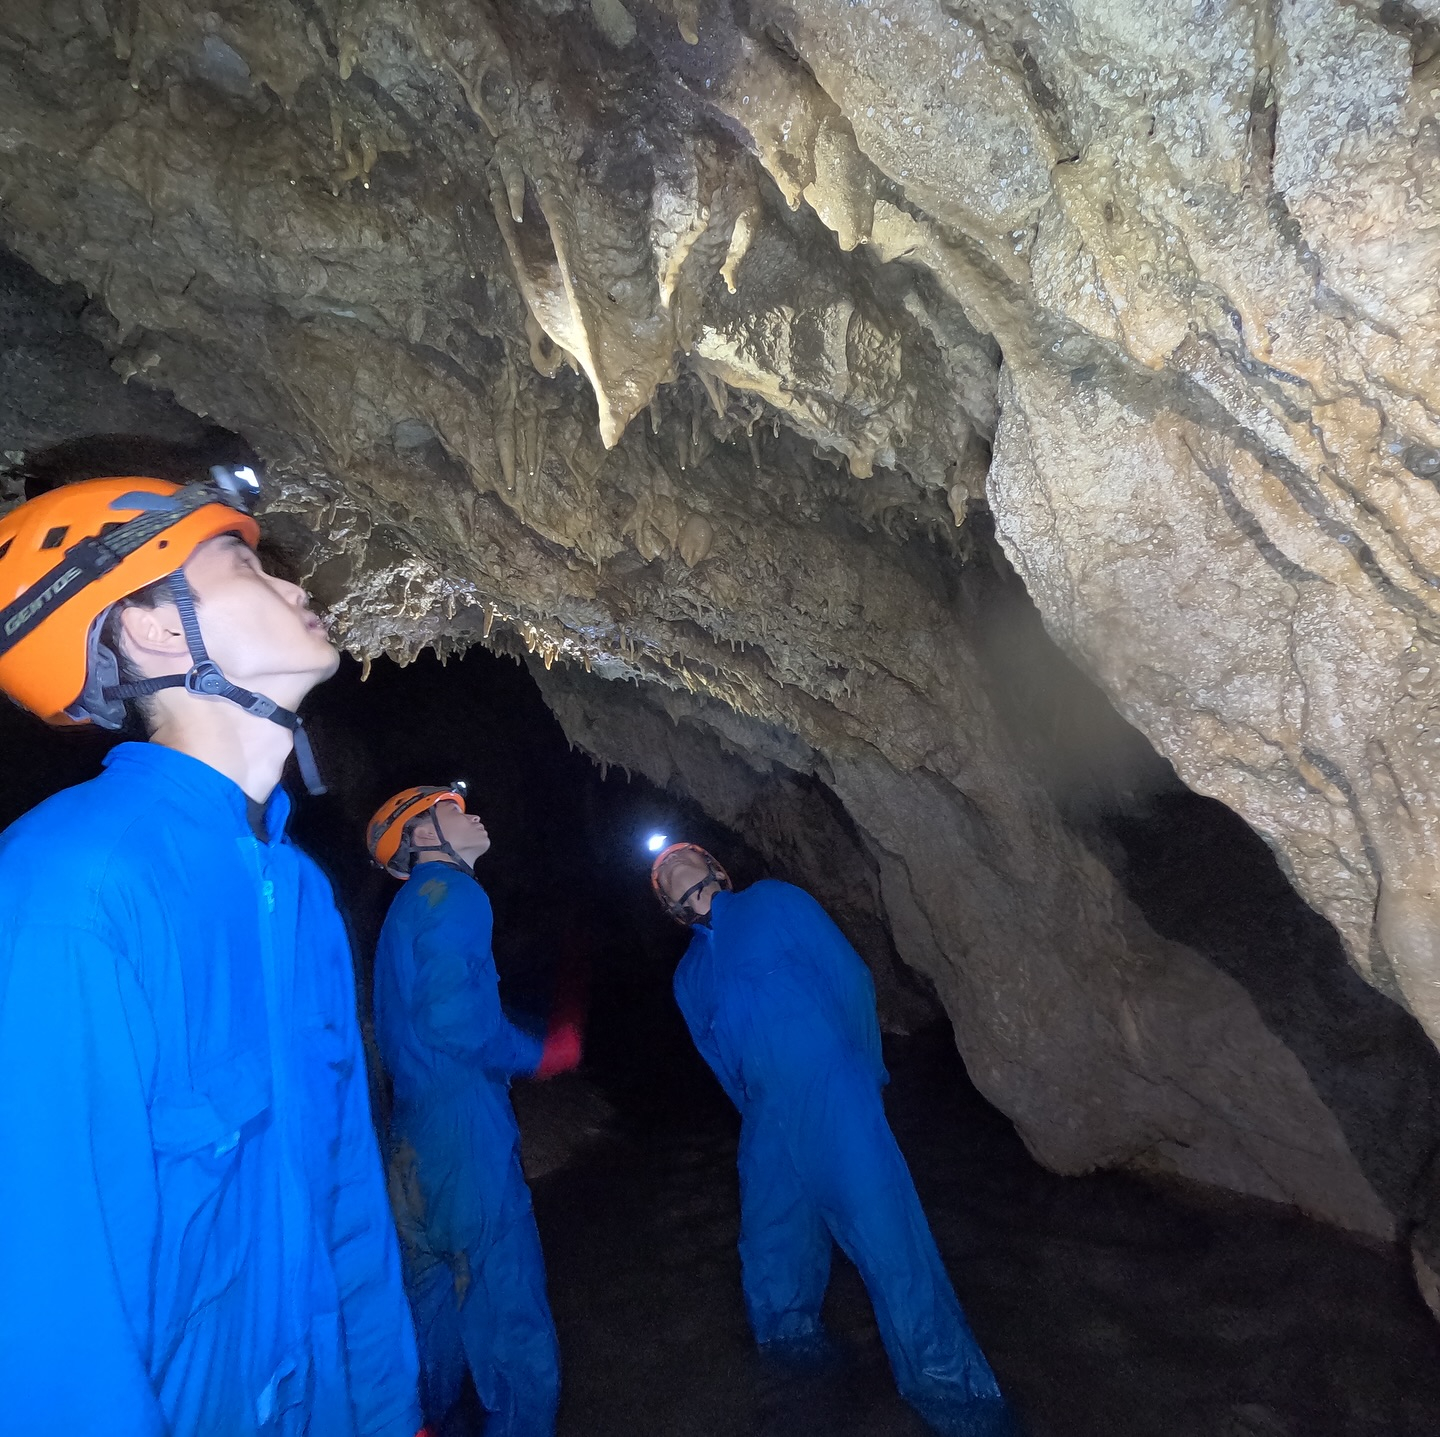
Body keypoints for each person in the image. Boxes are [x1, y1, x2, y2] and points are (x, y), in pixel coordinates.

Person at [0, 465, 423, 1435]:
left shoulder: (297, 893)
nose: (297, 586)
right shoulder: (71, 891)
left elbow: (347, 1204)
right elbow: (49, 1315)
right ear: (151, 627)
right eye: (246, 565)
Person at [652, 843, 1015, 1437]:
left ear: (716, 868)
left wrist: (861, 1074)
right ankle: (798, 1375)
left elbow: (850, 979)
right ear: (668, 904)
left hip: (833, 1093)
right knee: (770, 1250)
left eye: (680, 857)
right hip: (765, 1121)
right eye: (661, 874)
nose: (669, 865)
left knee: (890, 1246)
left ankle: (958, 1401)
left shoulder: (774, 901)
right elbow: (717, 1059)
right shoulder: (688, 976)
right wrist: (758, 1119)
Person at [368, 785, 581, 1437]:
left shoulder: (403, 913)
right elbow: (455, 1018)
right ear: (422, 834)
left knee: (434, 1329)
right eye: (451, 807)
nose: (471, 809)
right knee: (512, 1325)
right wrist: (536, 1053)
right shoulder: (452, 893)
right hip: (465, 1138)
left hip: (412, 1148)